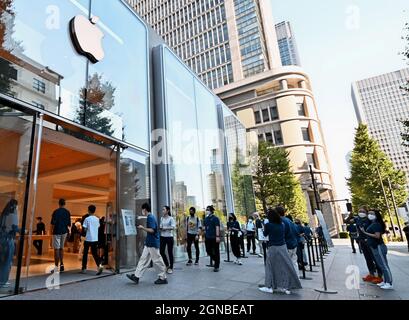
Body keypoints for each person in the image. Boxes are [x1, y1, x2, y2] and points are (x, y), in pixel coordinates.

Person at [259, 208, 302, 295]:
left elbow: (264, 234)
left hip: (274, 247)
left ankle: (269, 286)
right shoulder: (282, 224)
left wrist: (265, 227)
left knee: (270, 267)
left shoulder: (269, 225)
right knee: (287, 266)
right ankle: (287, 286)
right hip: (283, 246)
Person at [127, 203, 167, 285]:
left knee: (157, 260)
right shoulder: (150, 217)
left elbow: (152, 230)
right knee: (143, 259)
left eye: (142, 209)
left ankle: (163, 277)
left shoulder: (150, 217)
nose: (142, 211)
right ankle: (136, 276)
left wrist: (142, 228)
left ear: (145, 209)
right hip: (149, 243)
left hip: (152, 243)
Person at [360, 210, 393, 290]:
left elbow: (377, 236)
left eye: (372, 214)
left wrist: (365, 232)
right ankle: (385, 281)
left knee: (384, 265)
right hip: (374, 247)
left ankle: (389, 283)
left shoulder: (377, 224)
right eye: (369, 213)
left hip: (379, 246)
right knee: (380, 265)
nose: (369, 215)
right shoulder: (373, 223)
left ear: (376, 215)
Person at [354, 207, 383, 284]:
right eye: (359, 211)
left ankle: (379, 275)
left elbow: (376, 231)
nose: (361, 213)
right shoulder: (358, 220)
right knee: (368, 258)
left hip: (370, 242)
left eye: (363, 211)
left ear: (366, 213)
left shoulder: (370, 220)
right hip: (362, 241)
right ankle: (371, 274)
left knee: (375, 258)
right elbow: (347, 220)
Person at [276, 206, 299, 277]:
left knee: (284, 264)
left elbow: (280, 234)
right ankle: (296, 279)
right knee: (294, 263)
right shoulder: (289, 220)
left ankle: (287, 283)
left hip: (286, 245)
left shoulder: (280, 221)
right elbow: (296, 231)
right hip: (293, 244)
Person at [0, 199, 19, 288]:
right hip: (8, 240)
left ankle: (3, 280)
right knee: (7, 261)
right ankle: (3, 280)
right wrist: (25, 231)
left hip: (2, 239)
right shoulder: (13, 215)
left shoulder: (4, 214)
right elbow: (15, 228)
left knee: (3, 260)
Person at [81, 205, 103, 275]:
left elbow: (84, 229)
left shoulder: (87, 219)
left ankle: (84, 268)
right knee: (94, 253)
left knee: (85, 253)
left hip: (88, 238)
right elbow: (98, 227)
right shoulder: (97, 219)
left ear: (88, 210)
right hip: (95, 239)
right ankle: (99, 265)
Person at [50, 199, 71, 273]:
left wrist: (51, 232)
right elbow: (69, 224)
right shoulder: (67, 212)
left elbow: (52, 223)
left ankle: (56, 267)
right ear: (64, 204)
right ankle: (62, 264)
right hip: (64, 231)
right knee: (61, 248)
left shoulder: (56, 212)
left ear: (59, 204)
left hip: (57, 231)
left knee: (56, 249)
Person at [204, 205, 221, 272]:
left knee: (216, 251)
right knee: (208, 250)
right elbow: (205, 227)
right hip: (208, 237)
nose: (207, 211)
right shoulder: (206, 219)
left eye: (208, 209)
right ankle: (215, 260)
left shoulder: (215, 218)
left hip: (214, 237)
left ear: (212, 211)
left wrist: (217, 236)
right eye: (206, 209)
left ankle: (216, 266)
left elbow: (217, 227)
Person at [159, 206, 176, 274]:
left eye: (164, 209)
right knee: (161, 251)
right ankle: (167, 265)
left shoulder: (171, 218)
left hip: (169, 237)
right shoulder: (161, 218)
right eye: (162, 209)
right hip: (162, 237)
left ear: (167, 211)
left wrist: (165, 228)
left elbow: (173, 227)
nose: (162, 211)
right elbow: (161, 226)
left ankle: (171, 268)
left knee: (170, 252)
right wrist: (160, 228)